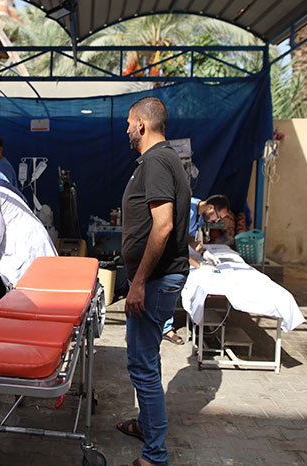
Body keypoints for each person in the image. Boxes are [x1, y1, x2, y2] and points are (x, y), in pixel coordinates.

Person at [116, 97, 190, 466]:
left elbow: (163, 226)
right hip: (157, 277)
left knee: (141, 364)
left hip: (156, 280)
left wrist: (139, 282)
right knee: (148, 358)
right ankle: (147, 426)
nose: (126, 129)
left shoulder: (158, 161)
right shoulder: (161, 160)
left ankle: (155, 455)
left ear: (142, 125)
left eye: (129, 123)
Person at [161, 194, 231, 345]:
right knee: (166, 288)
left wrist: (204, 252)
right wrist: (199, 266)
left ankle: (163, 326)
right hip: (163, 251)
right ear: (211, 208)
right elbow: (176, 244)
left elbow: (189, 239)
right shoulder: (186, 208)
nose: (216, 221)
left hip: (175, 250)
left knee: (172, 289)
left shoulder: (200, 216)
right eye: (217, 217)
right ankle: (162, 329)